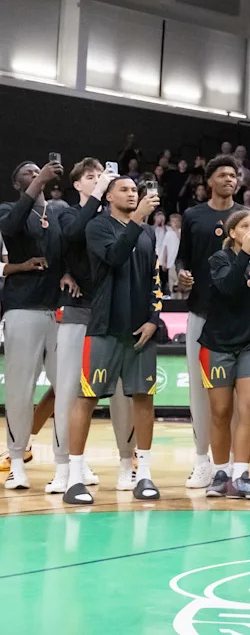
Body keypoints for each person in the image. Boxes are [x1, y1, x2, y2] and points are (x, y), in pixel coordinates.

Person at [66, 176, 162, 504]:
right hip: (105, 327)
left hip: (141, 332)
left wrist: (153, 320)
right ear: (108, 196)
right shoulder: (98, 227)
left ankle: (144, 474)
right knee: (87, 398)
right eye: (124, 189)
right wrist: (137, 220)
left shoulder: (149, 233)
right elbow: (115, 257)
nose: (132, 193)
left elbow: (155, 280)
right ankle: (74, 478)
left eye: (136, 190)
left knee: (144, 399)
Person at [51, 159, 135, 494]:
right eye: (90, 177)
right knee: (69, 390)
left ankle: (127, 463)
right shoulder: (70, 214)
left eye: (101, 175)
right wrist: (64, 271)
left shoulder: (110, 219)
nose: (98, 180)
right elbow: (69, 237)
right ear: (78, 185)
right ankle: (64, 465)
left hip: (111, 314)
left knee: (119, 393)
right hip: (77, 311)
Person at [0, 159, 68, 491]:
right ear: (18, 185)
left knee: (66, 389)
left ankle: (65, 464)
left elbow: (67, 253)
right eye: (26, 172)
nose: (34, 173)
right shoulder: (10, 209)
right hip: (22, 308)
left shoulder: (55, 216)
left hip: (57, 311)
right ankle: (15, 461)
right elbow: (10, 229)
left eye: (37, 170)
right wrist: (37, 182)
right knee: (19, 389)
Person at [177, 155, 244, 489]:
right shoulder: (193, 215)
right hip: (201, 313)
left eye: (234, 175)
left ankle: (231, 464)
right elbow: (182, 258)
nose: (229, 179)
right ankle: (202, 460)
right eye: (223, 174)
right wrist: (182, 275)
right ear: (209, 181)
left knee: (235, 393)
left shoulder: (247, 217)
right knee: (199, 391)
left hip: (237, 317)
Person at [200, 209, 250, 500]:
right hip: (217, 345)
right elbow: (228, 288)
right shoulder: (218, 260)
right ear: (232, 233)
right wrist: (244, 254)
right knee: (220, 412)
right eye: (245, 226)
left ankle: (241, 475)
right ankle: (221, 473)